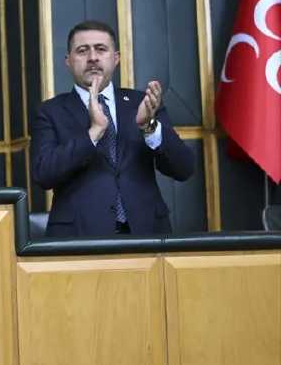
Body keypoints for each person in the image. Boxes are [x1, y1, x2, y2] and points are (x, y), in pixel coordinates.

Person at [31, 20, 194, 236]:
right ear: (68, 61)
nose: (92, 58)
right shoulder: (50, 111)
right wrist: (94, 132)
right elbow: (43, 174)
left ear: (115, 58)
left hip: (147, 233)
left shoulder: (143, 103)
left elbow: (183, 168)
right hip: (79, 237)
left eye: (101, 49)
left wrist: (149, 126)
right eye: (82, 51)